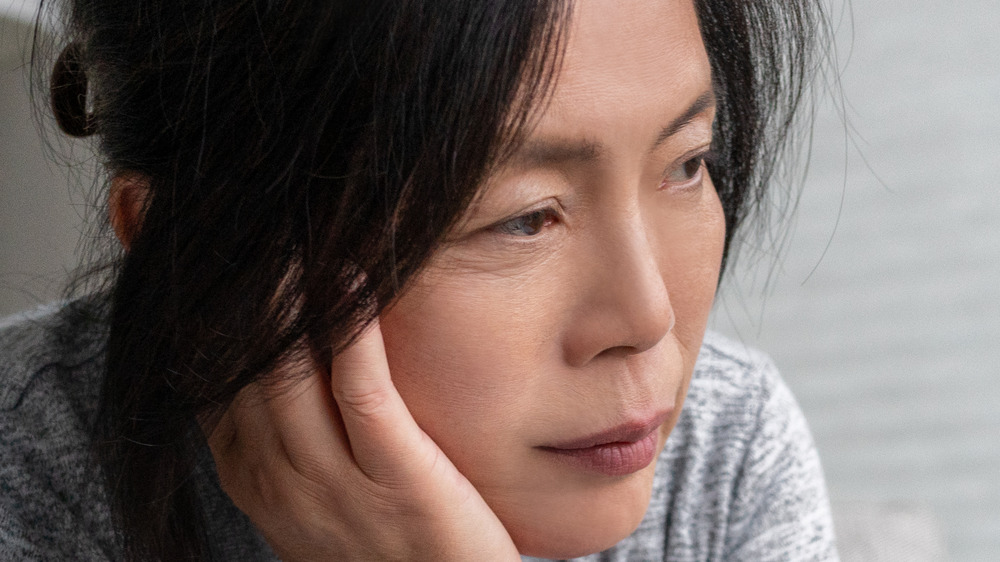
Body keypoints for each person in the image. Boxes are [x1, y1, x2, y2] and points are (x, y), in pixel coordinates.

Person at [0, 0, 837, 560]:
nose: (649, 318)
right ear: (187, 256)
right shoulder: (27, 479)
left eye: (688, 164)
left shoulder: (723, 461)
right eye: (523, 216)